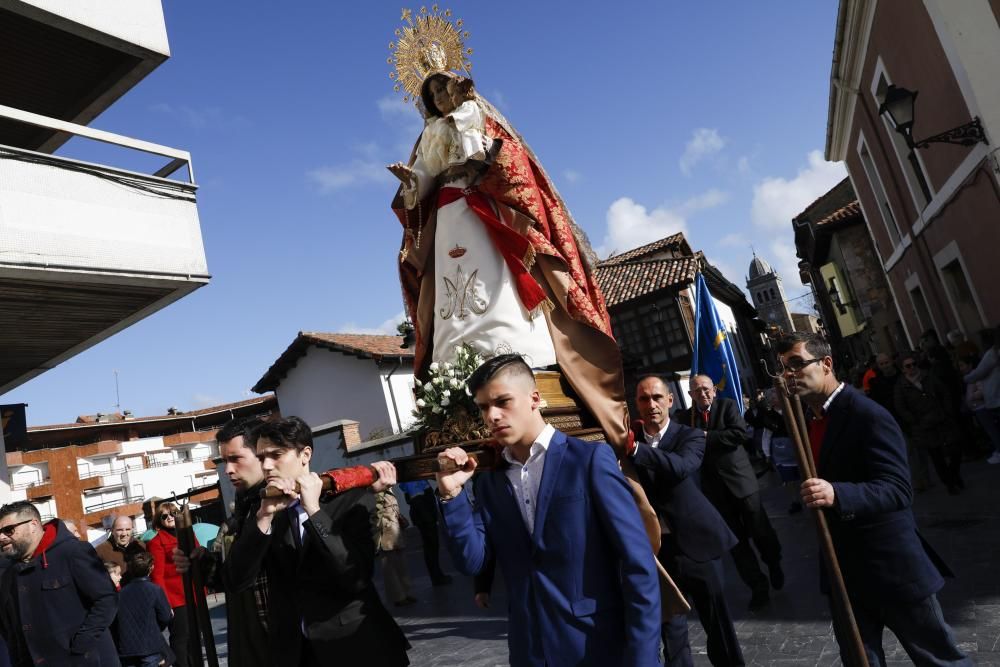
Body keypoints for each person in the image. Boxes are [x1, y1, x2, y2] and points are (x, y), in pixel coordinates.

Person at [389, 51, 632, 452]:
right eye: (433, 92)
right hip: (447, 217)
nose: (440, 96)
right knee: (449, 289)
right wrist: (410, 184)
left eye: (444, 87)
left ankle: (521, 355)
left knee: (499, 278)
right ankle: (456, 369)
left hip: (485, 211)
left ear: (457, 88)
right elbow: (424, 181)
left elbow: (511, 165)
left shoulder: (478, 117)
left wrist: (481, 151)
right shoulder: (429, 135)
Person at [433, 354, 662, 666]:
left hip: (597, 646)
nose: (493, 415)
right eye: (484, 407)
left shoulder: (589, 461)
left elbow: (639, 566)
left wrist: (644, 659)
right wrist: (451, 495)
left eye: (502, 401)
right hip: (530, 651)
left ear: (534, 399)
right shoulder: (489, 482)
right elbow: (472, 561)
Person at [777, 332, 970, 666]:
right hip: (843, 571)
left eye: (796, 363)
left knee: (938, 660)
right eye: (783, 368)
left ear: (826, 364)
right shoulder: (809, 420)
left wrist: (837, 493)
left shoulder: (866, 414)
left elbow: (897, 489)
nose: (789, 375)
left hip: (890, 566)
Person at [228, 416, 410, 667]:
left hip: (357, 649)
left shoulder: (351, 500)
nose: (267, 465)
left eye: (276, 454)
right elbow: (237, 579)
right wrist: (264, 516)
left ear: (305, 454)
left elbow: (354, 576)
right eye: (261, 458)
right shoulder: (264, 511)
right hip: (297, 654)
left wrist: (313, 510)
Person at [630, 375, 744, 667]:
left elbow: (681, 467)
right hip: (657, 551)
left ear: (670, 400)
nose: (651, 405)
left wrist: (637, 451)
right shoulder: (628, 441)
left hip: (698, 545)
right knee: (672, 630)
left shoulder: (689, 436)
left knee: (717, 625)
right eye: (644, 399)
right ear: (636, 404)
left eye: (657, 397)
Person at [675, 374, 783, 610]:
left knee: (760, 531)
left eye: (705, 389)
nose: (702, 394)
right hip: (714, 491)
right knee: (736, 544)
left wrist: (706, 437)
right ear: (690, 394)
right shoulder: (686, 418)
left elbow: (738, 434)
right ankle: (758, 587)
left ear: (713, 390)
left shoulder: (727, 407)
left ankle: (773, 561)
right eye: (696, 391)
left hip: (741, 483)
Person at [174, 416, 271, 667]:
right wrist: (203, 562)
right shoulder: (238, 516)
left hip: (282, 643)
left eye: (236, 458)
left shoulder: (284, 510)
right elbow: (231, 578)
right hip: (248, 643)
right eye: (225, 460)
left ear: (262, 455)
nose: (227, 469)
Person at [0, 501, 120, 666]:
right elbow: (9, 627)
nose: (2, 537)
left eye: (8, 530)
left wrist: (80, 645)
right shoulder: (8, 573)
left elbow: (107, 599)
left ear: (33, 525)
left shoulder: (72, 552)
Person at [894, 351, 964, 495]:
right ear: (903, 369)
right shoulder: (902, 386)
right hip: (924, 425)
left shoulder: (928, 376)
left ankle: (954, 474)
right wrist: (914, 421)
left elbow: (943, 392)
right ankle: (950, 483)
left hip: (941, 418)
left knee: (955, 448)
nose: (912, 368)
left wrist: (946, 411)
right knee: (937, 456)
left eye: (913, 364)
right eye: (908, 366)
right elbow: (901, 407)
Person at [147, 501, 201, 667]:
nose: (169, 517)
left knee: (195, 636)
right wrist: (165, 603)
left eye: (172, 513)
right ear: (159, 519)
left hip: (193, 591)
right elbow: (158, 576)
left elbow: (198, 556)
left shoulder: (187, 533)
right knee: (180, 638)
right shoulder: (156, 542)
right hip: (175, 598)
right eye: (164, 516)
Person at [114, 552, 172, 667]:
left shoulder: (121, 593)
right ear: (151, 568)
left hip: (126, 648)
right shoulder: (155, 590)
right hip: (150, 646)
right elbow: (165, 616)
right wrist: (155, 628)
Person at [396, 479, 452, 586]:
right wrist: (429, 519)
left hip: (425, 512)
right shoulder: (411, 480)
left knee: (432, 546)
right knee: (431, 546)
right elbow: (416, 498)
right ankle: (436, 578)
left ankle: (438, 575)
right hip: (424, 514)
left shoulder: (415, 478)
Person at [374, 488, 416, 607]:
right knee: (390, 566)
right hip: (387, 531)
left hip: (395, 529)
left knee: (401, 564)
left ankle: (405, 593)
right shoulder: (377, 491)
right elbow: (377, 515)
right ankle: (398, 597)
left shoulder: (388, 489)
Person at [964, 325, 1000, 464]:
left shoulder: (992, 354)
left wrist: (965, 378)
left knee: (994, 429)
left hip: (995, 397)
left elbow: (979, 372)